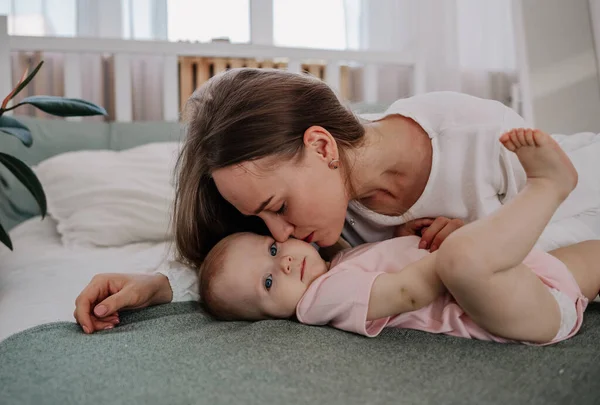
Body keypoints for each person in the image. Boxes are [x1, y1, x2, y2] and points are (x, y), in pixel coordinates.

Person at [73, 69, 600, 334]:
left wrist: (490, 235)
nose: (279, 235)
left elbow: (572, 215)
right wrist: (159, 285)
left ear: (322, 146)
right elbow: (252, 273)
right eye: (260, 220)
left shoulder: (475, 133)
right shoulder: (322, 219)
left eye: (276, 207)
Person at [198, 128, 599, 344]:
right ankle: (547, 186)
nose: (283, 261)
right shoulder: (319, 302)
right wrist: (457, 247)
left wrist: (410, 239)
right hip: (508, 314)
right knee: (463, 259)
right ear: (270, 319)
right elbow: (408, 293)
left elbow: (392, 265)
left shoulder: (343, 261)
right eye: (269, 281)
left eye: (271, 249)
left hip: (532, 280)